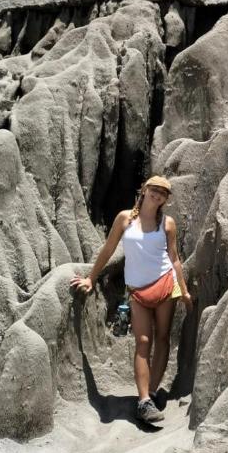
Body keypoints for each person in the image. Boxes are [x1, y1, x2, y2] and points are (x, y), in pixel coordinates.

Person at [71, 175, 192, 423]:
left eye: (163, 193)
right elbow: (108, 249)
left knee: (162, 338)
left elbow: (175, 258)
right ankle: (143, 399)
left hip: (165, 285)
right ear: (144, 190)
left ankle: (154, 392)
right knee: (143, 341)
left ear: (165, 199)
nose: (157, 194)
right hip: (138, 291)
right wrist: (91, 278)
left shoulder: (167, 223)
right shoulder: (125, 219)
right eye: (154, 190)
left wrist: (184, 290)